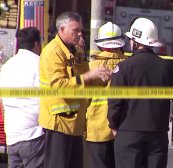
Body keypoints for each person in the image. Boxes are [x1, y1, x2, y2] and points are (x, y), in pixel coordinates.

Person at [107, 17, 173, 168]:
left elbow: (115, 102)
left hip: (128, 133)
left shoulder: (123, 68)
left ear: (135, 42)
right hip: (157, 134)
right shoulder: (166, 67)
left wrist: (113, 124)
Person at [39, 12, 111, 168]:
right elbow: (59, 86)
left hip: (75, 125)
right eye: (75, 30)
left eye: (81, 31)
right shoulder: (53, 52)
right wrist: (89, 75)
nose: (79, 34)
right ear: (62, 29)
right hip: (58, 124)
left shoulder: (75, 51)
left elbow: (85, 79)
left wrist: (99, 77)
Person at [0, 27, 44, 168]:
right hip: (33, 135)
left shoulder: (7, 66)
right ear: (37, 44)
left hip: (12, 135)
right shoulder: (39, 64)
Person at [86, 22, 127, 168]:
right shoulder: (128, 65)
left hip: (96, 129)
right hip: (123, 130)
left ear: (100, 44)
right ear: (120, 43)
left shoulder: (91, 67)